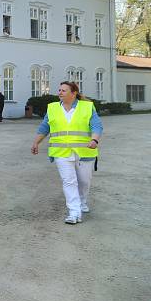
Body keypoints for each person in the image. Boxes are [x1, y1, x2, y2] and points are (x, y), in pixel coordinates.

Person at [31, 81, 103, 224]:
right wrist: (36, 142)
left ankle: (82, 202)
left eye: (64, 90)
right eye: (59, 90)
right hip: (61, 152)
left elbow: (96, 125)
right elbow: (45, 127)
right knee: (69, 181)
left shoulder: (87, 107)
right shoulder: (52, 108)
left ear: (73, 93)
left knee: (83, 182)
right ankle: (74, 213)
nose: (60, 92)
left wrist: (94, 140)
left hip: (84, 152)